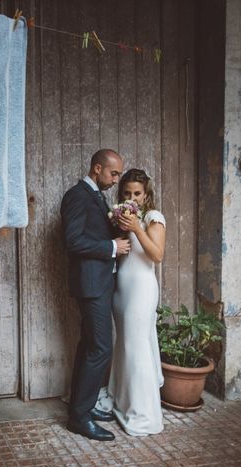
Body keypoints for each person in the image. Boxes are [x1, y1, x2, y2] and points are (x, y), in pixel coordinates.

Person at [60, 149, 130, 441]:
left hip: (99, 283)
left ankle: (82, 407)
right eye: (113, 173)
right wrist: (112, 247)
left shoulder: (97, 197)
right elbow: (73, 241)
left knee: (88, 346)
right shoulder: (77, 195)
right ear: (97, 168)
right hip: (91, 285)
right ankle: (79, 418)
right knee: (101, 348)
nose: (116, 179)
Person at [96, 168, 167, 436]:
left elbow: (156, 255)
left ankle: (144, 415)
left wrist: (137, 227)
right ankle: (123, 400)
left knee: (137, 348)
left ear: (146, 194)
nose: (132, 197)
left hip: (141, 290)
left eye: (137, 193)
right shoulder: (121, 218)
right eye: (127, 193)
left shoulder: (152, 218)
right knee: (125, 346)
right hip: (121, 290)